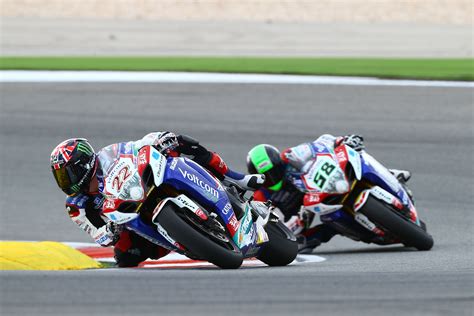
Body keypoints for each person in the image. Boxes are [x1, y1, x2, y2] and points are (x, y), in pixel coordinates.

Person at [50, 132, 264, 267]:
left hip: (148, 186)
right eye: (60, 176)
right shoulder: (76, 206)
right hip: (129, 216)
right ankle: (186, 239)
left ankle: (235, 178)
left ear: (84, 164)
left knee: (181, 144)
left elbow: (137, 146)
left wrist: (160, 140)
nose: (64, 181)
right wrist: (110, 232)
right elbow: (97, 233)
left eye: (67, 174)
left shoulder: (109, 155)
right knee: (124, 257)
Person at [246, 134, 412, 254]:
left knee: (358, 156)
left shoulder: (290, 155)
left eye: (274, 171)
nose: (272, 177)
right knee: (304, 240)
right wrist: (290, 224)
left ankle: (390, 175)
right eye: (267, 176)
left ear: (278, 161)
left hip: (323, 187)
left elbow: (319, 145)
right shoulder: (262, 195)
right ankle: (360, 231)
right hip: (304, 213)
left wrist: (341, 141)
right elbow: (267, 221)